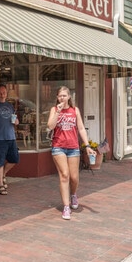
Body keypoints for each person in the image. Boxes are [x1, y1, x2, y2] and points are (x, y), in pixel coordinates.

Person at [47, 86, 94, 220]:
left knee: (74, 177)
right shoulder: (54, 109)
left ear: (68, 97)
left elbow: (81, 128)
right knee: (64, 175)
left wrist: (88, 145)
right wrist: (58, 112)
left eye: (64, 95)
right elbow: (50, 126)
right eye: (59, 96)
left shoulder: (75, 110)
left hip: (73, 147)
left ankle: (73, 194)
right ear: (57, 97)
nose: (62, 98)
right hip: (58, 147)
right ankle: (66, 206)